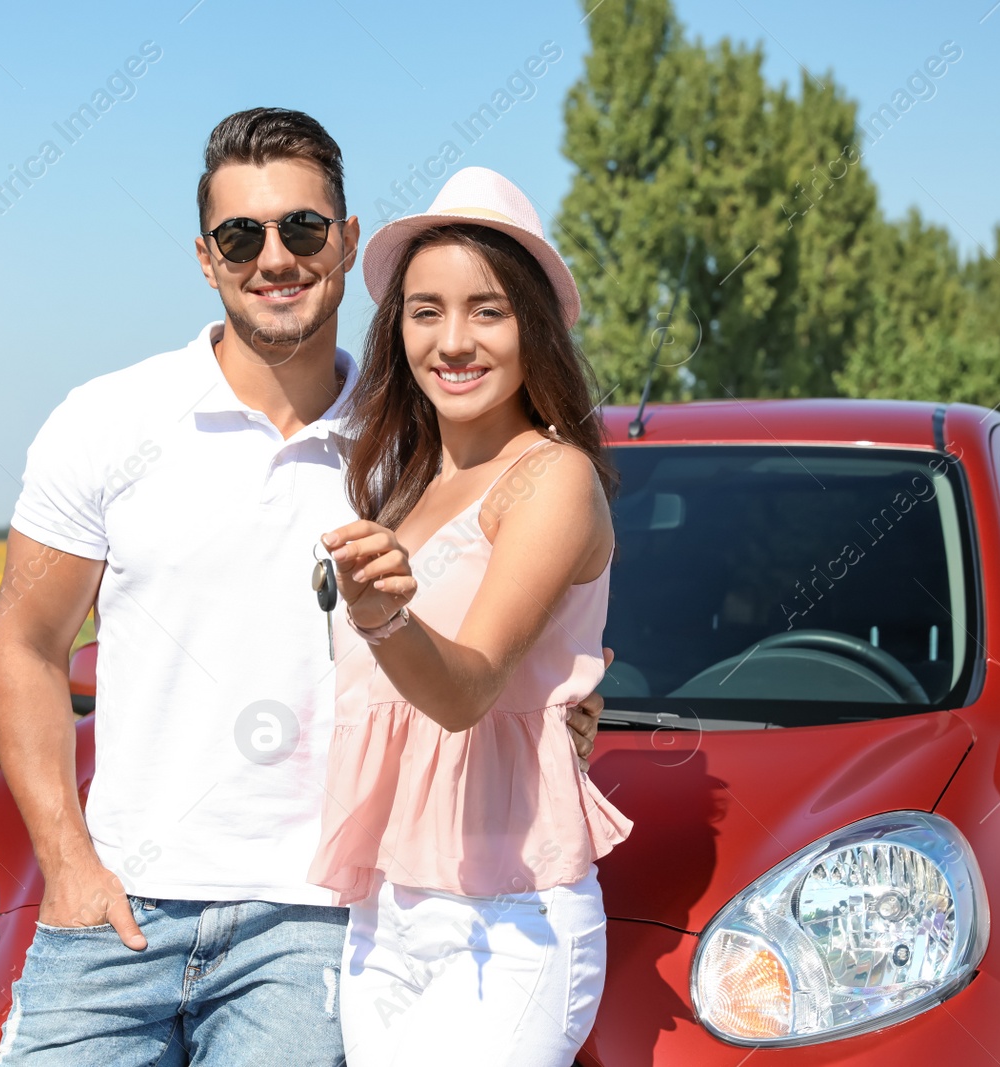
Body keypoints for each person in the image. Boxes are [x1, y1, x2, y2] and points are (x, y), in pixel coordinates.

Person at [0, 112, 604, 1065]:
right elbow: (26, 645)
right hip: (116, 911)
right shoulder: (106, 420)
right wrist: (67, 864)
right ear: (206, 257)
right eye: (242, 235)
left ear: (348, 244)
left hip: (320, 922)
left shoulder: (413, 443)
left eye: (304, 229)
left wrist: (567, 703)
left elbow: (523, 591)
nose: (275, 256)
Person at [308, 167, 632, 1067]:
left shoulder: (552, 477)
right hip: (387, 910)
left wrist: (384, 621)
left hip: (510, 919)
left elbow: (471, 686)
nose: (453, 340)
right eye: (425, 311)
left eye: (486, 310)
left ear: (534, 326)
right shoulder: (403, 489)